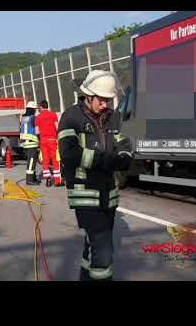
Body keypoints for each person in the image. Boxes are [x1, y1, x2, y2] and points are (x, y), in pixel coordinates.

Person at [57, 70, 132, 281]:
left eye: (109, 100)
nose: (105, 104)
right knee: (104, 251)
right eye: (101, 99)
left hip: (109, 195)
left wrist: (125, 156)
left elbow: (125, 143)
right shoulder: (71, 117)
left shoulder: (114, 118)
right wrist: (106, 160)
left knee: (93, 246)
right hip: (85, 194)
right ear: (88, 96)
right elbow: (69, 153)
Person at [35, 100, 62, 187]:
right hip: (52, 140)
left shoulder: (38, 117)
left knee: (45, 160)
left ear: (41, 107)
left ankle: (48, 179)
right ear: (47, 106)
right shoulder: (53, 115)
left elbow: (37, 132)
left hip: (43, 140)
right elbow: (57, 127)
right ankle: (57, 181)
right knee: (55, 160)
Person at [20, 101, 40, 185]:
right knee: (31, 161)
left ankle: (33, 178)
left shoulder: (23, 117)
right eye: (35, 109)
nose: (35, 110)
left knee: (32, 161)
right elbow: (37, 131)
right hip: (32, 143)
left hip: (25, 143)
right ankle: (29, 180)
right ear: (33, 109)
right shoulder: (33, 118)